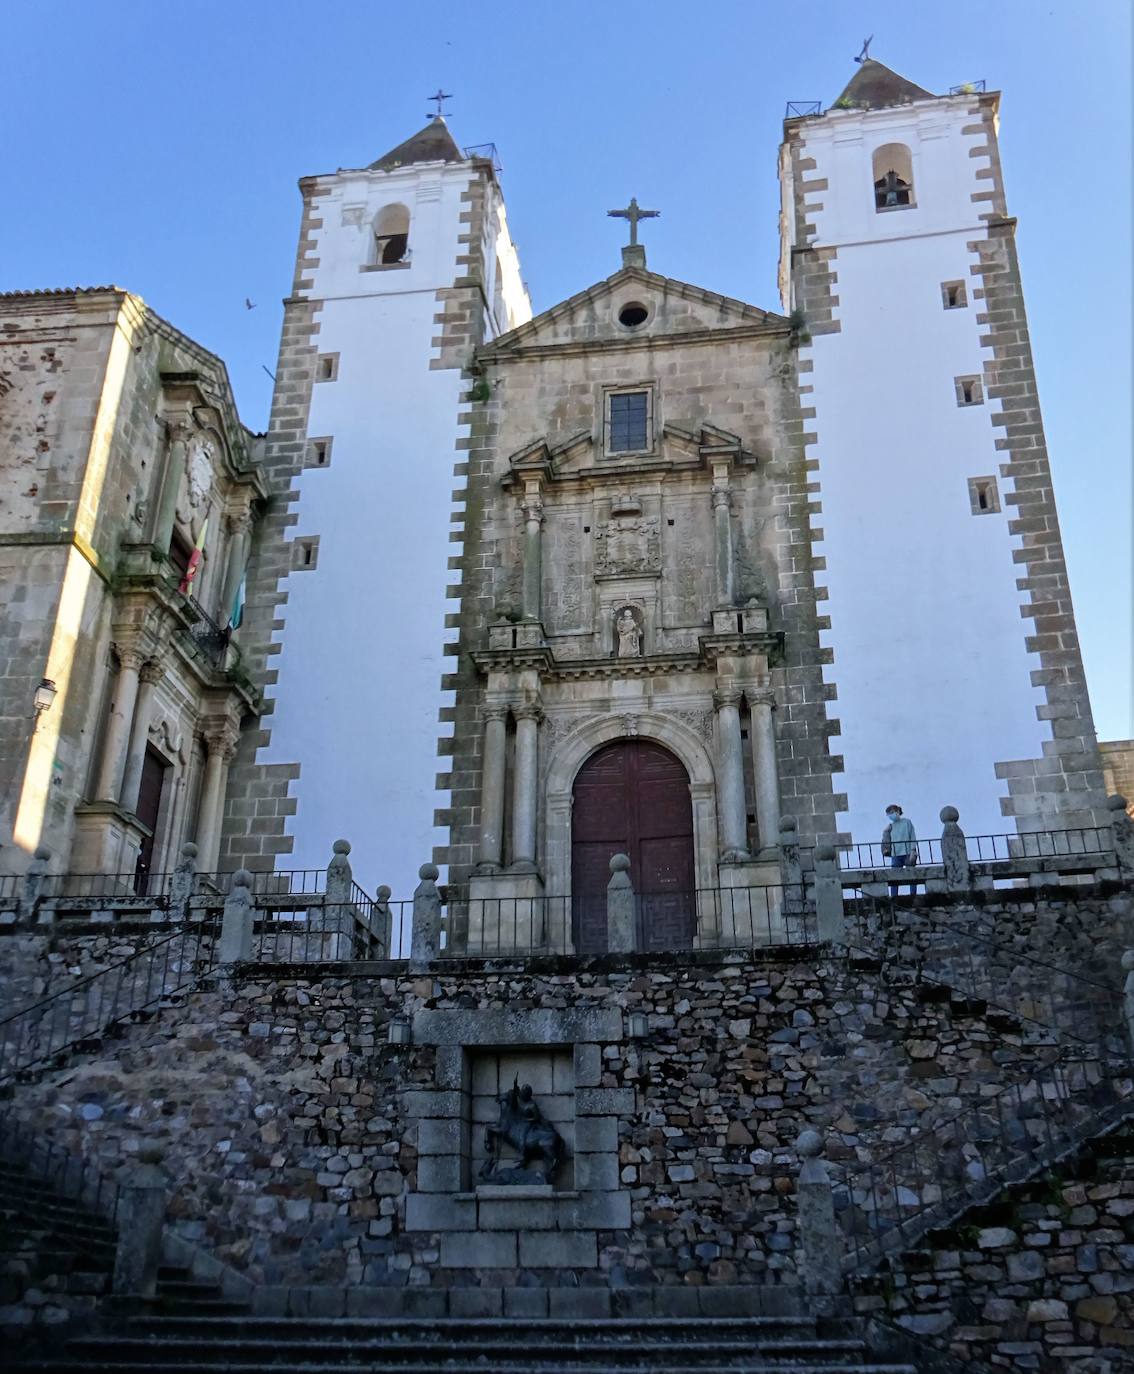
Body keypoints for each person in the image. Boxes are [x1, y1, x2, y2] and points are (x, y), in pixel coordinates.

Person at [882, 804, 918, 896]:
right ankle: (894, 896)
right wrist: (885, 831)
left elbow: (912, 836)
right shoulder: (891, 826)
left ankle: (913, 895)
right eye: (888, 814)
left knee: (911, 876)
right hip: (896, 854)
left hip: (907, 852)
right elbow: (886, 840)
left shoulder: (907, 822)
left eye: (892, 813)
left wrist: (913, 850)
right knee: (894, 877)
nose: (891, 815)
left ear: (898, 812)